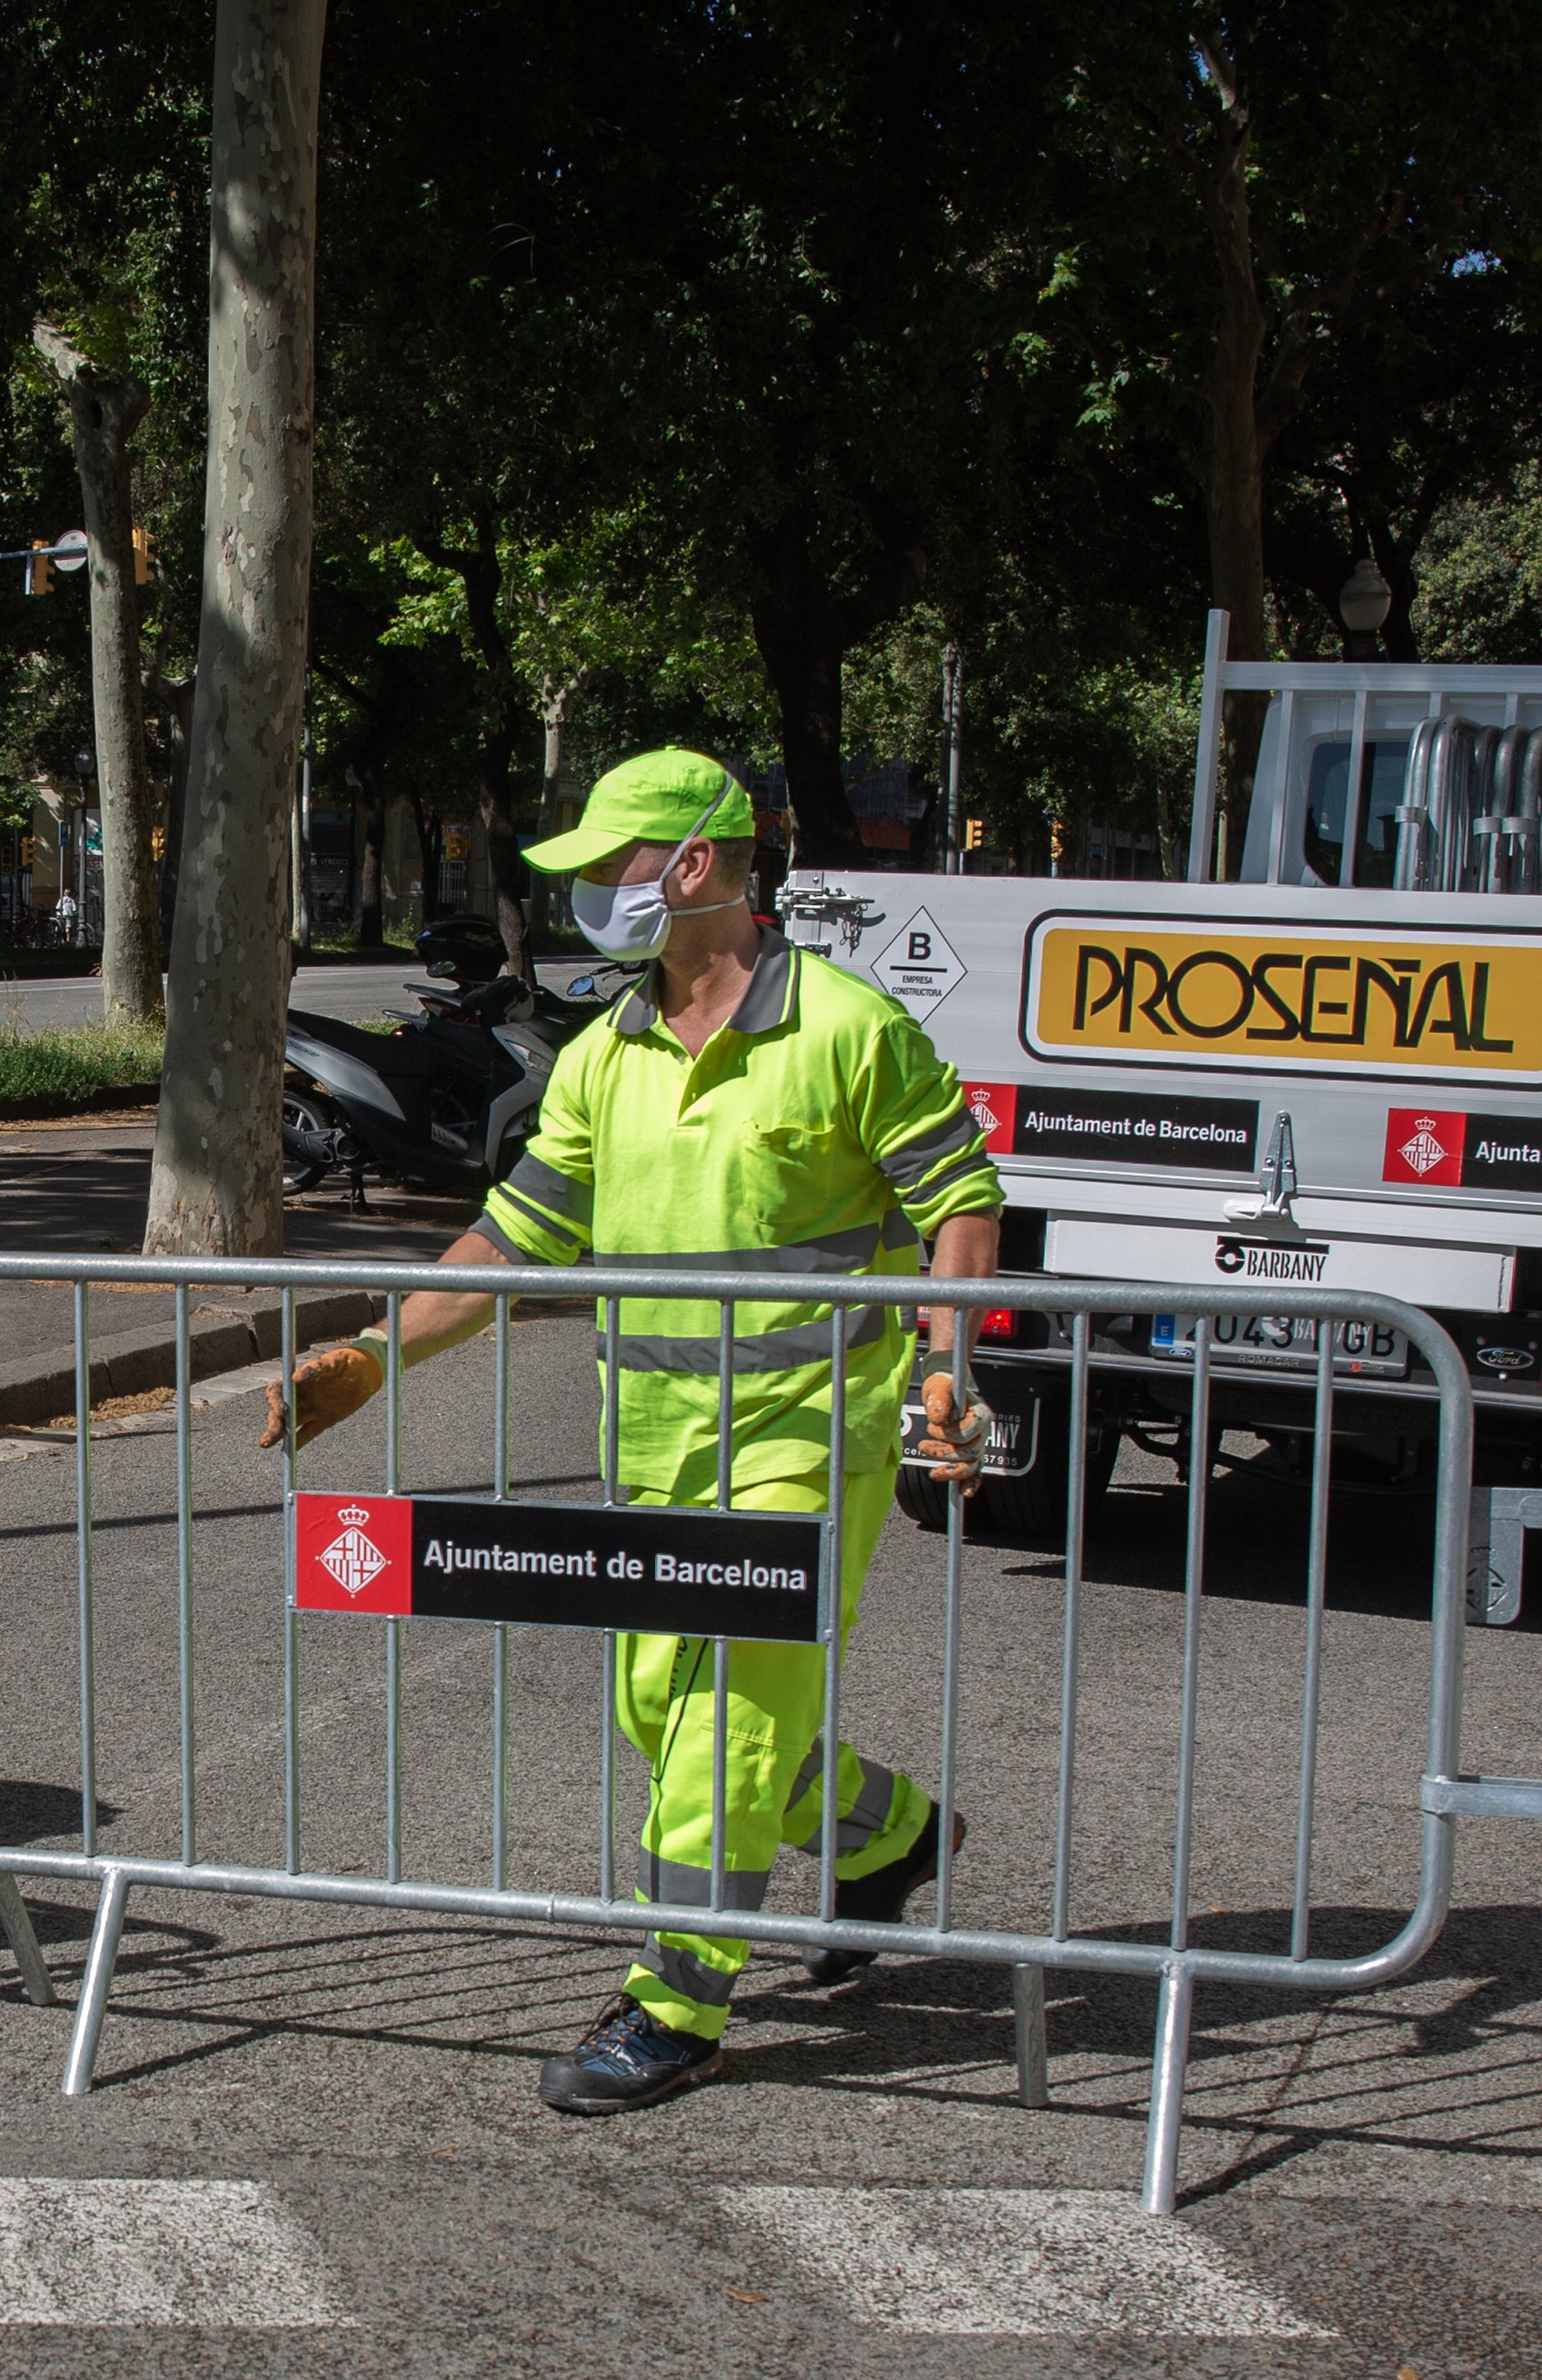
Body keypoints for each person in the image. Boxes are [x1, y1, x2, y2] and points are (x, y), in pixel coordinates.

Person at [254, 746, 1010, 2115]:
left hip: (805, 1442)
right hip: (655, 1443)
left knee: (719, 1723)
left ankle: (677, 2002)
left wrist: (945, 1367)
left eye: (611, 865)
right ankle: (888, 1829)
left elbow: (959, 1195)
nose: (592, 893)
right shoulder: (605, 1051)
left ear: (694, 865)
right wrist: (375, 1350)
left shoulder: (846, 1027)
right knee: (662, 1713)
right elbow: (515, 1234)